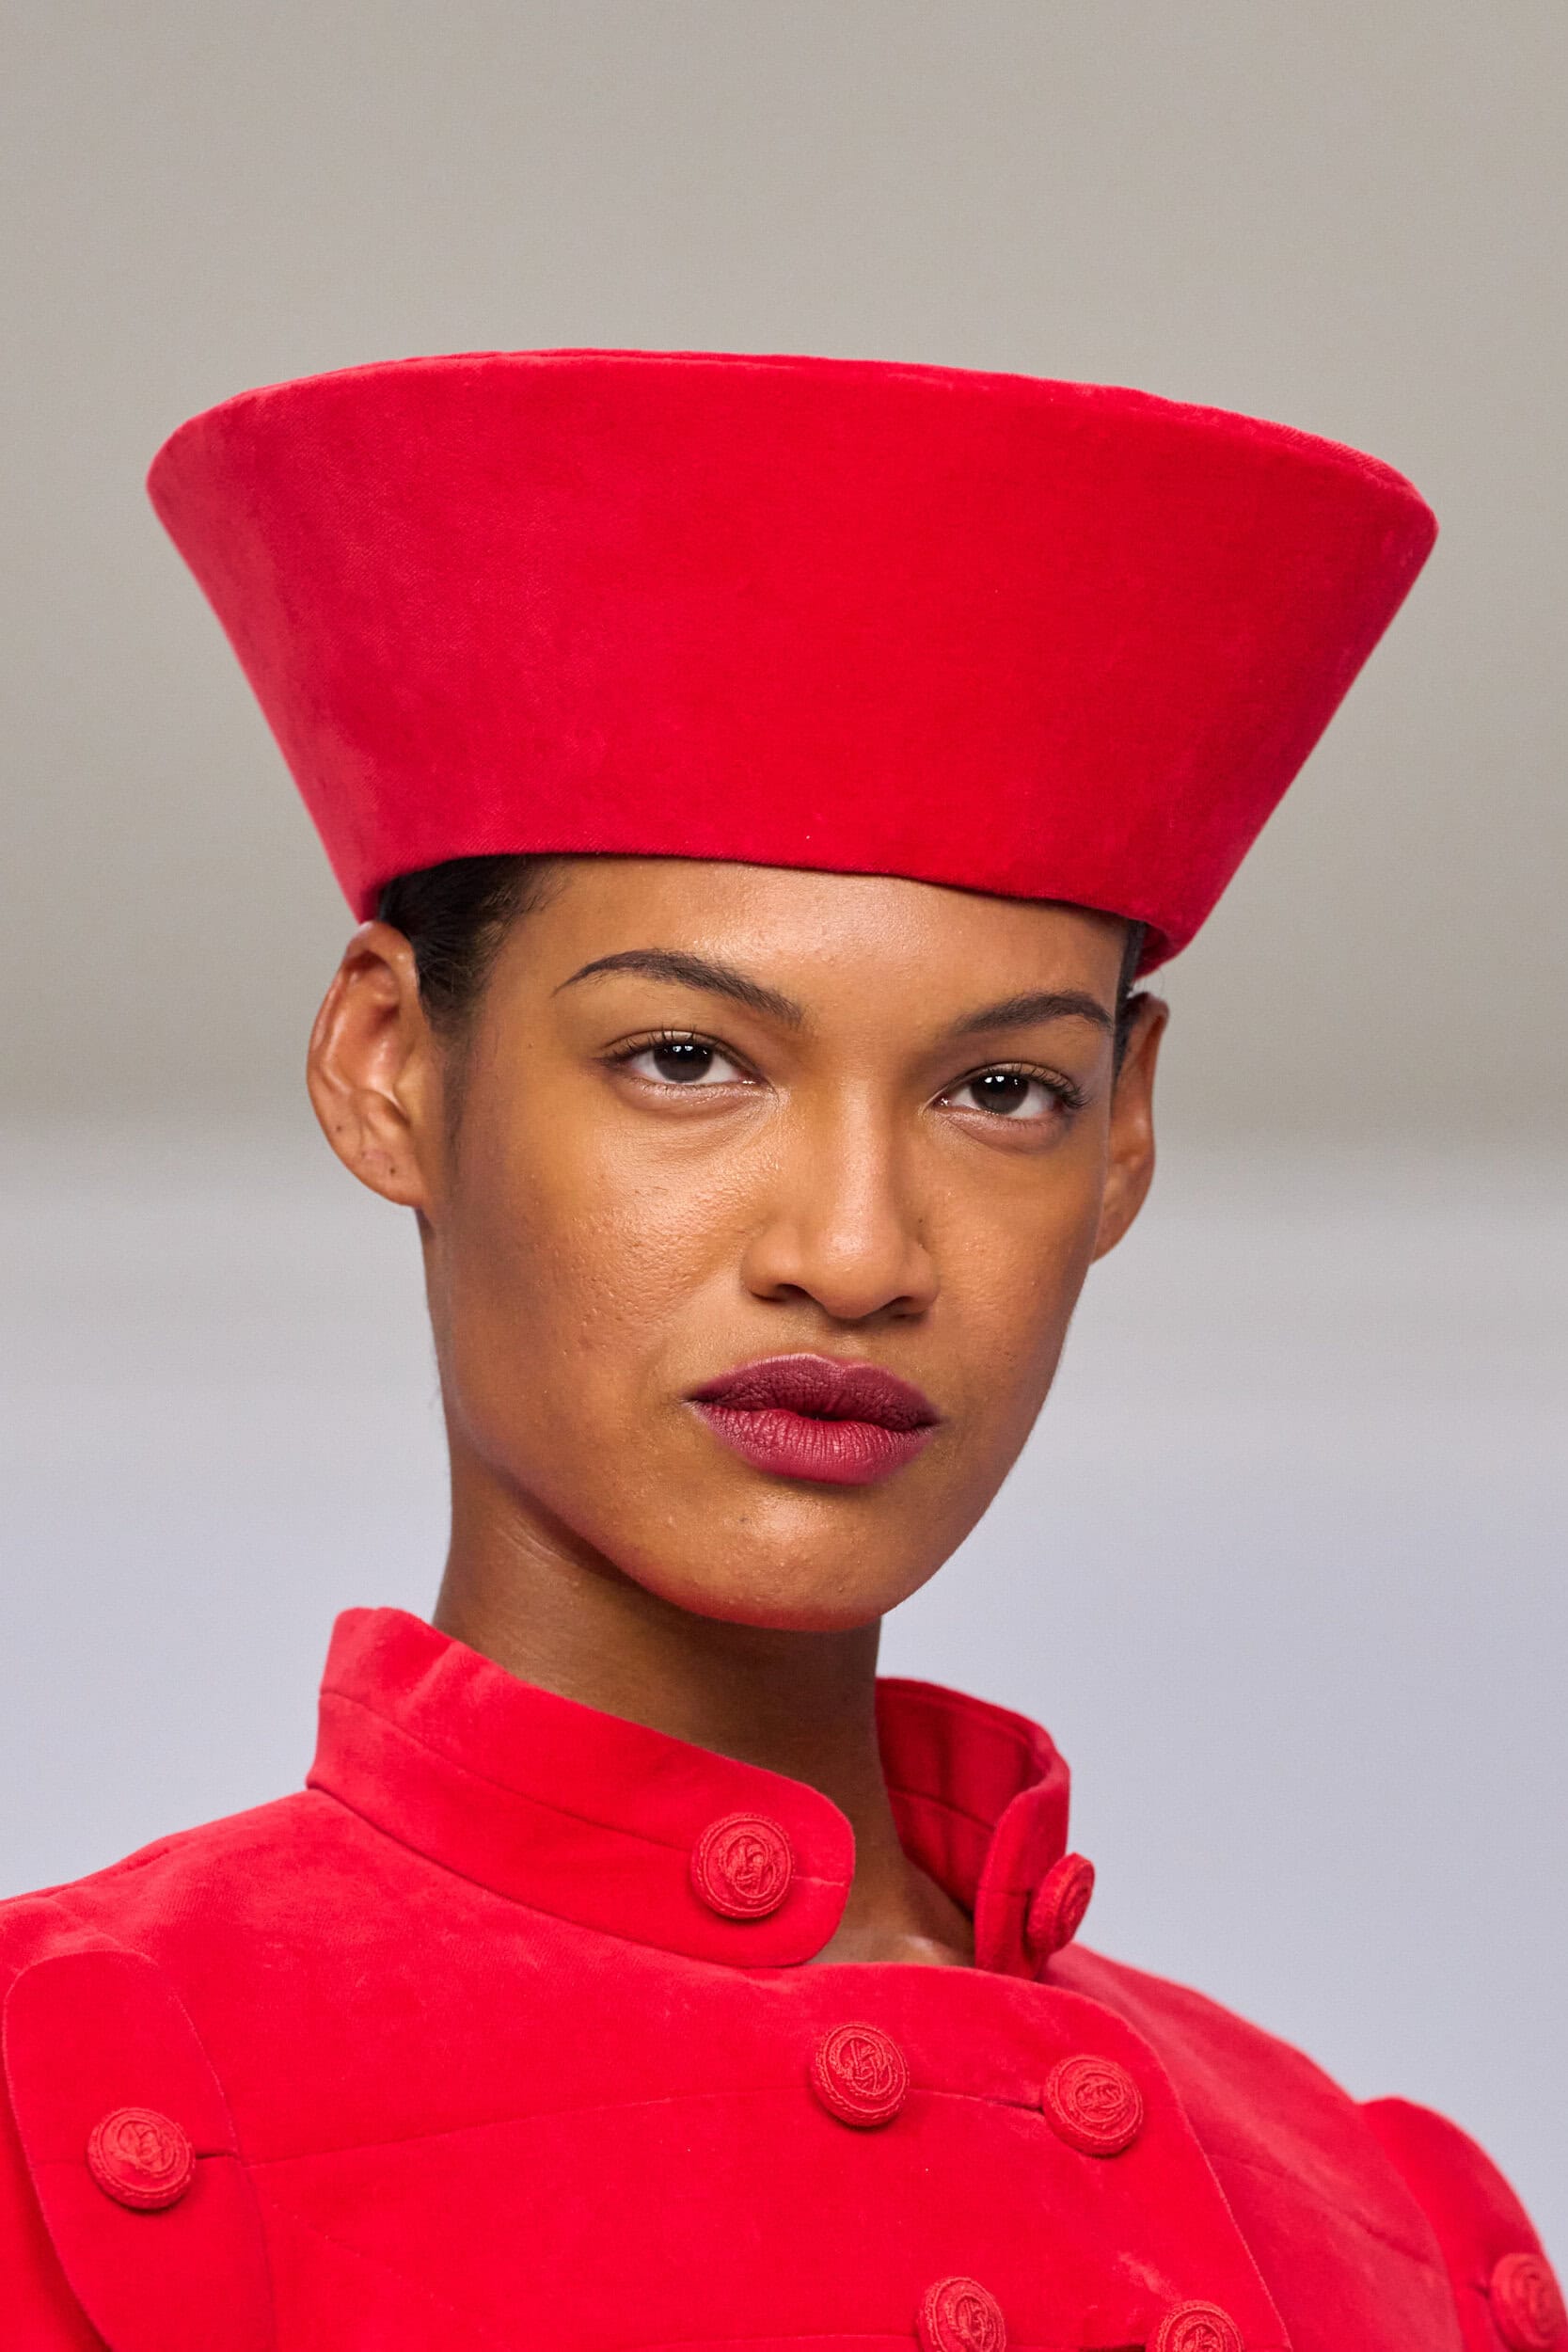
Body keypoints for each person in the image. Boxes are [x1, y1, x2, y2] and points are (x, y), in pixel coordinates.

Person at [1, 350, 1556, 2352]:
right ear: (390, 1064)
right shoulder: (81, 2101)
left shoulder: (1384, 2241)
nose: (855, 1254)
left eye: (1001, 1090)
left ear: (1124, 1136)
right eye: (686, 1058)